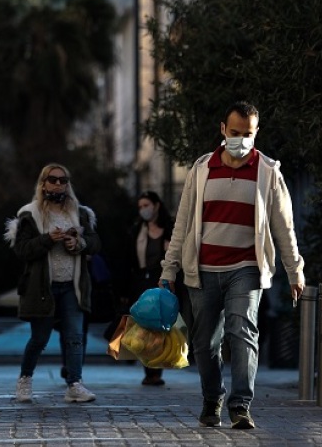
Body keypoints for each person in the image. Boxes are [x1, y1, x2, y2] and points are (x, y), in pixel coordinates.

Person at [158, 101, 305, 430]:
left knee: (243, 332)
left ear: (256, 133)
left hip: (246, 268)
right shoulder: (202, 169)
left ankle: (241, 405)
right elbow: (182, 226)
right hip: (204, 269)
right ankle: (213, 398)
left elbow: (284, 226)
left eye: (248, 134)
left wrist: (295, 271)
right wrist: (168, 270)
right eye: (235, 133)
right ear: (223, 130)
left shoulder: (267, 172)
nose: (241, 139)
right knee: (205, 342)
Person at [6, 163, 101, 404]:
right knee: (39, 338)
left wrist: (77, 243)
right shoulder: (30, 214)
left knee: (75, 336)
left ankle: (74, 384)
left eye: (63, 180)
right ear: (43, 183)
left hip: (72, 284)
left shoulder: (80, 213)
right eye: (53, 179)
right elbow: (22, 249)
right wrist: (48, 239)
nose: (58, 184)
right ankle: (25, 379)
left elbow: (95, 242)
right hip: (42, 287)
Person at [124, 190, 174, 386]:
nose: (143, 210)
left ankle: (156, 370)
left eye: (146, 205)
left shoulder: (170, 228)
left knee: (161, 328)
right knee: (145, 327)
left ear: (156, 205)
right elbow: (129, 259)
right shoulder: (137, 230)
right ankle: (150, 370)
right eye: (140, 207)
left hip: (163, 281)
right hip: (142, 282)